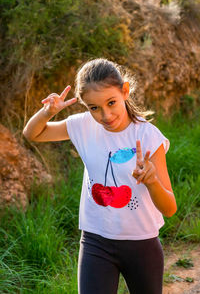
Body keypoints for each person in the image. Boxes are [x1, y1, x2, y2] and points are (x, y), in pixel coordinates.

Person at [23, 58, 177, 294]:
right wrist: (47, 112)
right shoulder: (82, 126)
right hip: (96, 241)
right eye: (94, 108)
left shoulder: (148, 137)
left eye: (111, 102)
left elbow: (169, 208)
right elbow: (33, 134)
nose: (105, 115)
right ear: (86, 106)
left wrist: (153, 181)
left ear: (125, 91)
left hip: (142, 243)